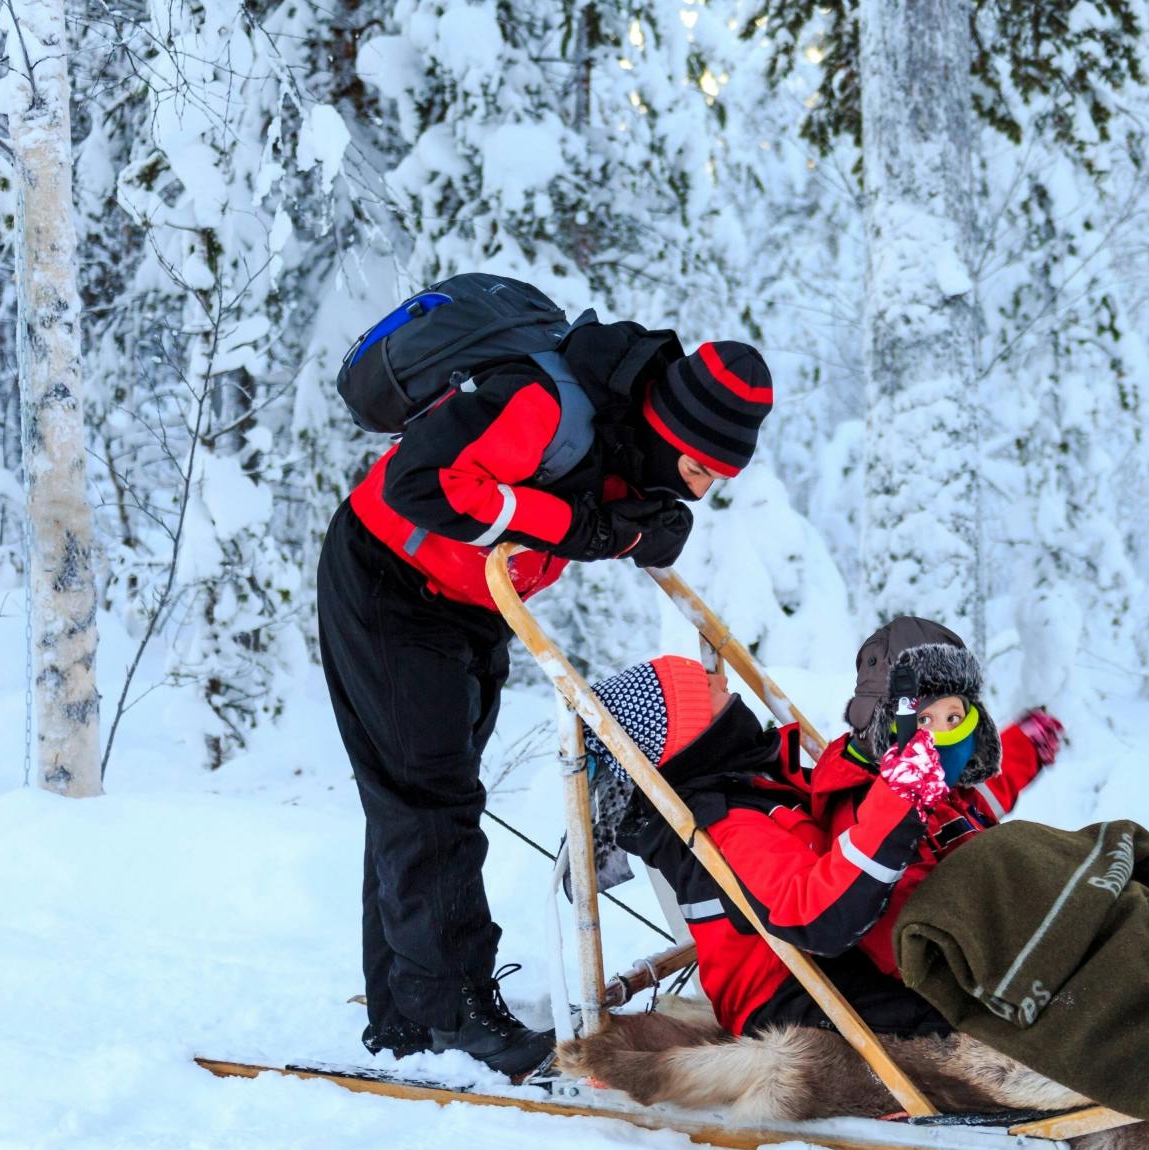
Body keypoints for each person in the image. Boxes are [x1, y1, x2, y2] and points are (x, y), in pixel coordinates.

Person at [317, 318, 773, 1076]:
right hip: (387, 579)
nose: (701, 490)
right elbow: (422, 483)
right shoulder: (545, 403)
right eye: (699, 470)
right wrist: (581, 527)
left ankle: (405, 1009)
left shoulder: (628, 438)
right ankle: (449, 1013)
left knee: (422, 797)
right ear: (670, 430)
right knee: (430, 796)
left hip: (467, 603)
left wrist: (628, 530)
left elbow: (610, 513)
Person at [584, 655, 955, 1038]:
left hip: (815, 964)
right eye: (699, 683)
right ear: (683, 727)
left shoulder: (747, 781)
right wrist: (898, 794)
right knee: (963, 1021)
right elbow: (818, 917)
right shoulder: (726, 819)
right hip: (783, 998)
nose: (720, 679)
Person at [806, 618, 1066, 978]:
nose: (944, 733)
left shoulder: (945, 785)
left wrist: (1025, 748)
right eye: (925, 720)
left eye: (954, 717)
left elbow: (981, 799)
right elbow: (898, 929)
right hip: (967, 964)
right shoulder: (869, 808)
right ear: (884, 725)